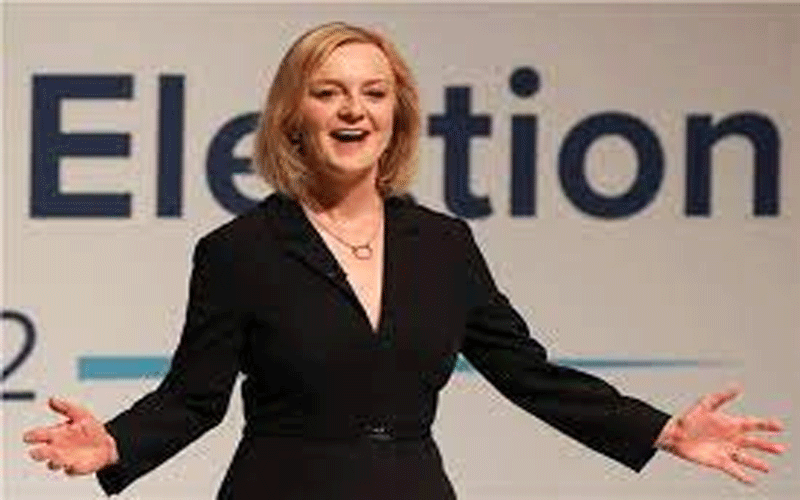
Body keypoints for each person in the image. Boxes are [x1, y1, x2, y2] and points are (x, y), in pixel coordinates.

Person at [23, 22, 786, 499]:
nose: (354, 109)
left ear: (398, 116)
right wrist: (116, 443)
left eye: (374, 93)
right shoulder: (240, 252)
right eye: (329, 92)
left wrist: (660, 431)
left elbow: (529, 374)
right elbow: (194, 399)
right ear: (294, 117)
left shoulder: (444, 247)